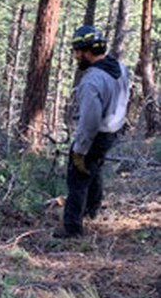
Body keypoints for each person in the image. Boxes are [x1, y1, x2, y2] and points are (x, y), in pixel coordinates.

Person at [54, 25, 130, 239]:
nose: (76, 56)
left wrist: (79, 149)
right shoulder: (121, 68)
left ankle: (72, 228)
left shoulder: (91, 81)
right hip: (112, 131)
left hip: (96, 135)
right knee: (93, 168)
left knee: (77, 176)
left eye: (78, 51)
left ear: (88, 51)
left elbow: (89, 121)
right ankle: (92, 210)